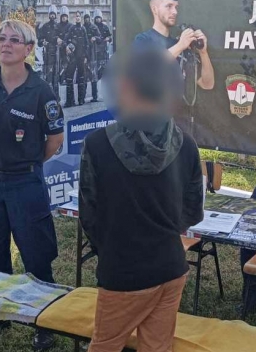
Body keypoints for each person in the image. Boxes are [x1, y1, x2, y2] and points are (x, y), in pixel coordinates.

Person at [79, 48, 205, 352]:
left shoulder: (97, 144)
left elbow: (89, 215)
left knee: (105, 346)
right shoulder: (186, 144)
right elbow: (192, 212)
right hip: (170, 266)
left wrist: (110, 249)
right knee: (157, 347)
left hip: (123, 270)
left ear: (126, 86)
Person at [0, 19, 64, 350]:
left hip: (25, 181)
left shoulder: (42, 91)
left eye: (15, 39)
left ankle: (45, 321)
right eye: (2, 38)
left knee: (36, 255)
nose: (6, 44)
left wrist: (29, 163)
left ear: (29, 49)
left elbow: (55, 140)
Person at [133, 0, 215, 91]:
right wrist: (180, 45)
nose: (175, 12)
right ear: (155, 9)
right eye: (169, 6)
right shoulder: (143, 40)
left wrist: (203, 53)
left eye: (176, 7)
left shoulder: (180, 45)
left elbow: (207, 84)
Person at [63, 11, 89, 107]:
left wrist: (86, 57)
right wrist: (66, 47)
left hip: (81, 57)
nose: (77, 18)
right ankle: (70, 101)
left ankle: (81, 100)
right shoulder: (71, 28)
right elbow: (65, 40)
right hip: (72, 58)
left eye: (79, 16)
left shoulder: (83, 29)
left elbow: (87, 44)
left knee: (81, 78)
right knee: (69, 78)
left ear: (80, 18)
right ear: (74, 18)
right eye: (76, 16)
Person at [38, 5, 61, 99]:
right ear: (49, 15)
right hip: (47, 53)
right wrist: (42, 42)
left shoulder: (58, 26)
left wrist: (60, 40)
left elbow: (63, 38)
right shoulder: (45, 26)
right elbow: (39, 39)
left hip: (57, 53)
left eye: (53, 14)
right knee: (48, 75)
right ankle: (49, 96)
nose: (52, 16)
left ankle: (56, 96)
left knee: (56, 75)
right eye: (51, 14)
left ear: (55, 15)